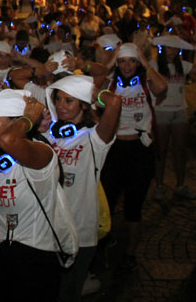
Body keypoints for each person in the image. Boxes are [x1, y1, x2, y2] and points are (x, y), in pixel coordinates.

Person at [0, 89, 78, 301]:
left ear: (17, 124)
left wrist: (27, 118)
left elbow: (10, 140)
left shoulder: (41, 153)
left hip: (37, 257)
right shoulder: (1, 154)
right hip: (6, 253)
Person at [42, 75, 121, 301]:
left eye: (69, 101)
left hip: (80, 230)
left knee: (68, 292)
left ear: (84, 105)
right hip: (48, 229)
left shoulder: (94, 138)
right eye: (58, 99)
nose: (60, 106)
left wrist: (95, 94)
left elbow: (114, 103)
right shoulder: (49, 135)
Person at [99, 43, 167, 271]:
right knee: (106, 202)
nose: (127, 66)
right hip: (113, 149)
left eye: (131, 61)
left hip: (140, 150)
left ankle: (130, 253)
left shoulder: (146, 83)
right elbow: (92, 85)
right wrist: (110, 62)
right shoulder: (110, 84)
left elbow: (162, 87)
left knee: (134, 206)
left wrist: (146, 62)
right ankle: (103, 246)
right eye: (123, 61)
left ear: (137, 63)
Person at [150, 35, 196, 200]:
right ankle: (159, 185)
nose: (173, 51)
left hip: (180, 111)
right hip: (161, 111)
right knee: (160, 151)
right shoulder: (155, 65)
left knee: (180, 150)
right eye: (169, 47)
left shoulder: (183, 65)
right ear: (163, 48)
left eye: (176, 48)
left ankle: (180, 185)